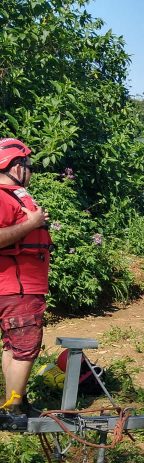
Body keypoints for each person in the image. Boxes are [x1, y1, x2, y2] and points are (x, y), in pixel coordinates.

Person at [0, 138, 51, 417]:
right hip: (15, 288)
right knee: (25, 345)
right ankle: (14, 409)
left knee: (14, 345)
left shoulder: (14, 194)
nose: (30, 170)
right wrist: (31, 223)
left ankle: (13, 402)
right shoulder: (1, 195)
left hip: (19, 286)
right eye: (27, 165)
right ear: (14, 166)